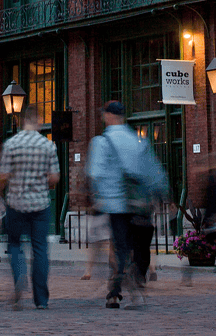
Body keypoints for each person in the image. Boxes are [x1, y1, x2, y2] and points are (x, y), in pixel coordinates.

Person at [86, 101, 168, 310]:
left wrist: (100, 196)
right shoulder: (137, 140)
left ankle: (114, 293)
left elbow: (94, 173)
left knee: (121, 247)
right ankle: (136, 287)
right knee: (138, 247)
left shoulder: (101, 142)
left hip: (115, 205)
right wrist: (160, 194)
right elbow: (154, 172)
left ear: (108, 116)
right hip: (138, 203)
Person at [0, 105, 60, 311]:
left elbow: (3, 177)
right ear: (39, 120)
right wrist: (45, 184)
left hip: (16, 203)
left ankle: (19, 275)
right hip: (40, 204)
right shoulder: (48, 146)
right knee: (40, 249)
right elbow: (54, 178)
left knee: (14, 245)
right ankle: (41, 299)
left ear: (22, 121)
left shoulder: (11, 144)